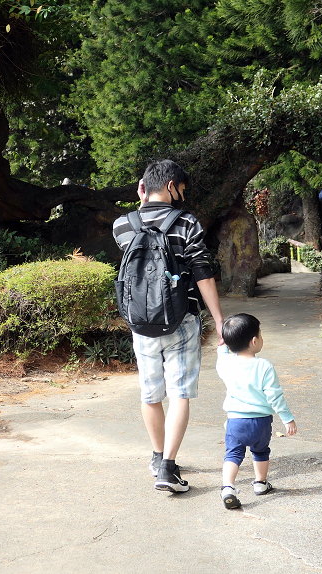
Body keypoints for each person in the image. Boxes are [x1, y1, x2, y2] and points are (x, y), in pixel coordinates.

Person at [113, 159, 226, 493]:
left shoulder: (123, 225)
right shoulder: (187, 223)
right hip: (182, 319)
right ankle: (168, 467)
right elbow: (203, 272)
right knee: (179, 393)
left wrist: (141, 201)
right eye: (181, 190)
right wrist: (219, 320)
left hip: (141, 323)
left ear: (143, 187)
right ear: (172, 185)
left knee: (150, 394)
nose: (182, 197)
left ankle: (156, 456)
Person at [215, 313, 297, 510]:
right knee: (260, 451)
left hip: (235, 421)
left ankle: (228, 487)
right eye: (260, 335)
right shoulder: (263, 366)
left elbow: (221, 355)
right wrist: (287, 419)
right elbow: (275, 397)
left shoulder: (225, 364)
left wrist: (222, 348)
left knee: (233, 454)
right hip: (260, 422)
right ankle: (260, 483)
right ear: (254, 341)